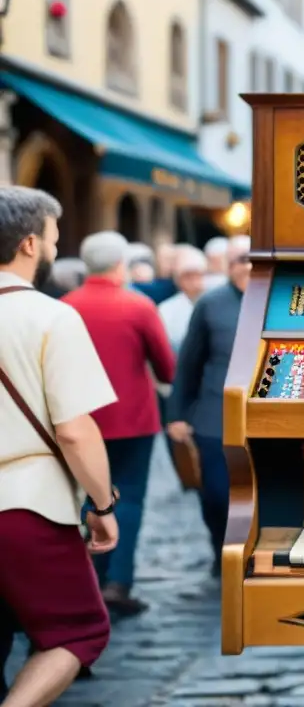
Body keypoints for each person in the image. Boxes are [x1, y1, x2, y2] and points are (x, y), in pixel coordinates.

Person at [0, 186, 120, 706]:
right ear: (29, 244)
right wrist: (103, 503)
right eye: (52, 236)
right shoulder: (51, 316)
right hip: (25, 504)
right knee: (77, 632)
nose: (54, 247)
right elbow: (75, 430)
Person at [63, 231, 176, 616]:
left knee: (83, 498)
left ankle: (86, 580)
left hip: (76, 419)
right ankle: (118, 581)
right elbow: (165, 365)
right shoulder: (138, 305)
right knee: (129, 497)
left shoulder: (65, 306)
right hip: (132, 420)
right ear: (120, 265)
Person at [166, 235, 251, 577]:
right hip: (215, 416)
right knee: (216, 494)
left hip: (264, 415)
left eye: (251, 259)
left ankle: (249, 552)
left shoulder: (279, 297)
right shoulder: (210, 304)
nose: (245, 266)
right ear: (227, 266)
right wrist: (176, 414)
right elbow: (189, 362)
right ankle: (222, 549)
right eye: (238, 261)